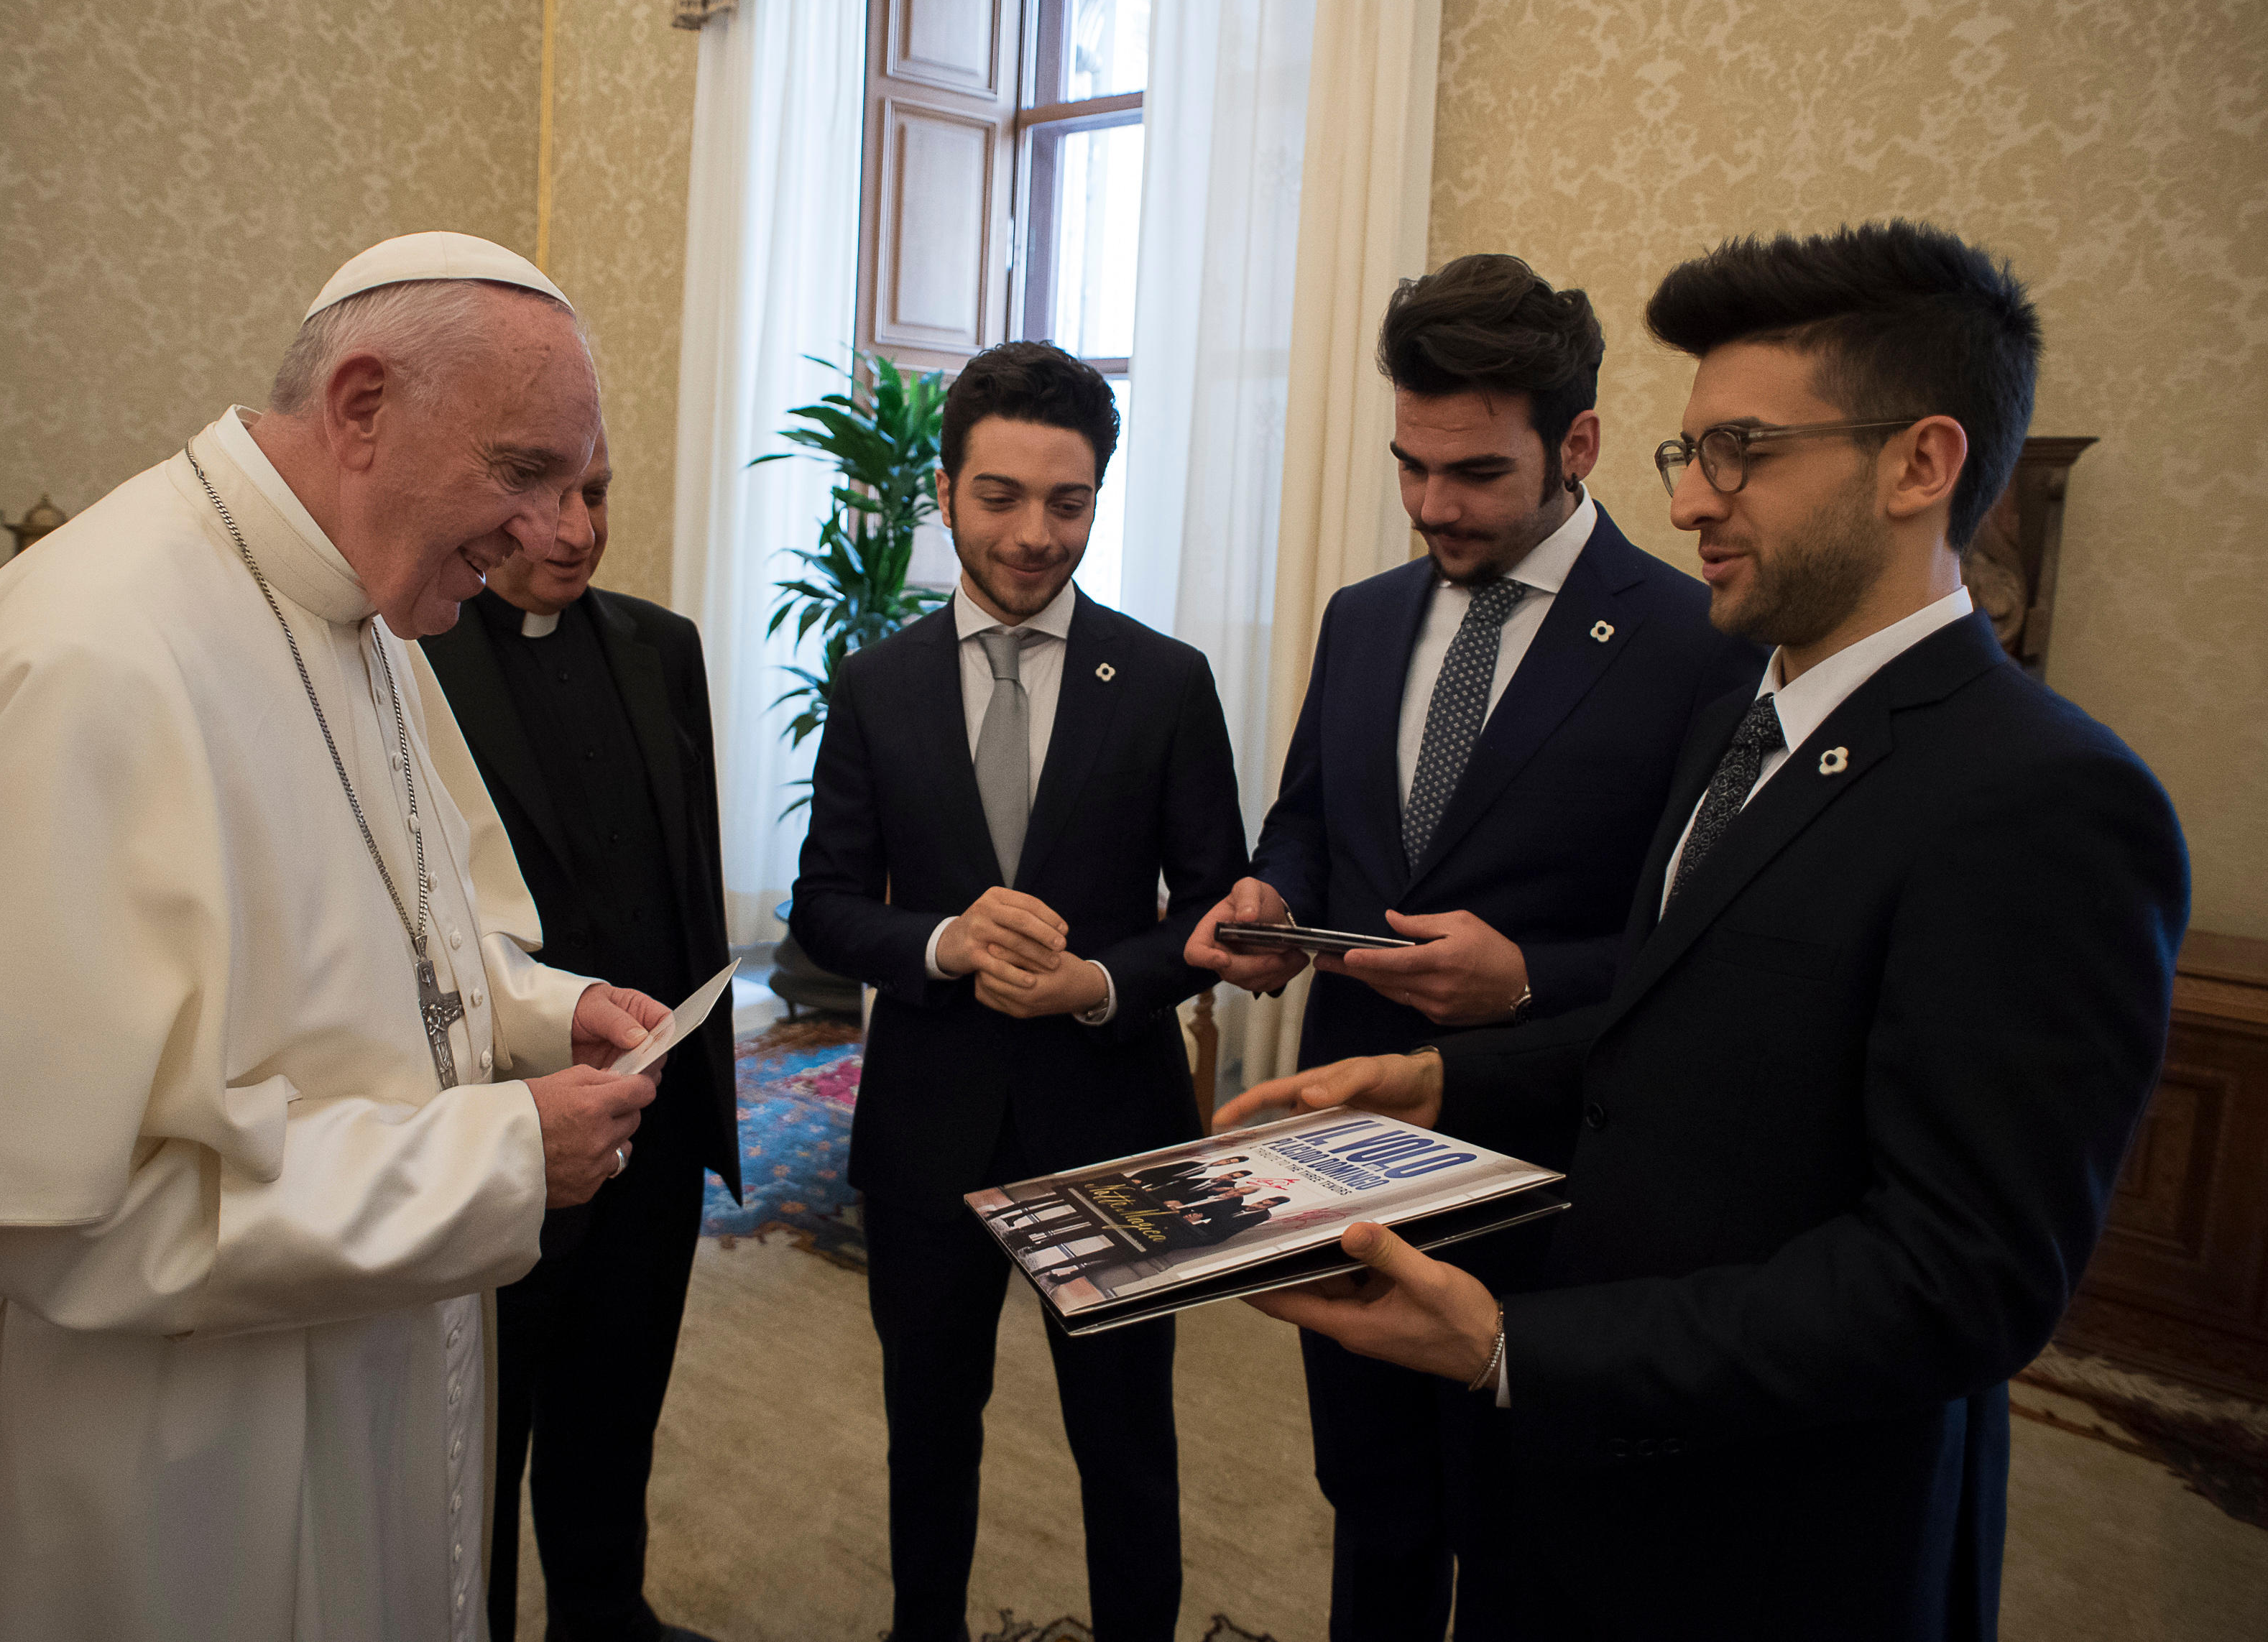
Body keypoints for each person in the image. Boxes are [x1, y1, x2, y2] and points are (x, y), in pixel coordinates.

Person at [1227, 221, 2190, 1641]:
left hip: (1776, 1528)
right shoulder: (1762, 722)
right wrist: (1432, 1078)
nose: (1688, 503)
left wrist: (1514, 1342)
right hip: (1598, 1469)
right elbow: (1673, 1029)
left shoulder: (2046, 797)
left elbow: (1958, 1282)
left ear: (1918, 464)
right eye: (1691, 454)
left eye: (1741, 453)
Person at [0, 232, 675, 1642]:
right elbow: (54, 1219)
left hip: (352, 1344)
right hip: (145, 1437)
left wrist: (540, 1008)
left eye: (573, 481)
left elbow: (399, 915)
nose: (553, 532)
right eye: (523, 471)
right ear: (362, 406)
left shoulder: (365, 611)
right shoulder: (88, 654)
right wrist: (500, 1156)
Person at [1179, 252, 1761, 1637]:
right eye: (1411, 465)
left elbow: (1715, 947)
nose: (1434, 503)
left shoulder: (1698, 641)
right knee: (1371, 1493)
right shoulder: (1362, 614)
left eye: (1478, 472)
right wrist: (1272, 897)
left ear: (1580, 444)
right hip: (1342, 1131)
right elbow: (1309, 820)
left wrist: (1530, 981)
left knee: (1521, 1521)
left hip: (1554, 1160)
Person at [790, 341, 1250, 1642]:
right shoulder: (876, 682)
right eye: (999, 496)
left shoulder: (1165, 680)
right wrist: (944, 943)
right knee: (929, 1436)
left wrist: (1098, 981)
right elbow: (823, 903)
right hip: (925, 1127)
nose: (1035, 534)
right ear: (944, 491)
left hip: (1115, 1123)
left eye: (1069, 500)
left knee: (1127, 1446)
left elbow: (1214, 907)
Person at [421, 413, 737, 1642]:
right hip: (504, 1116)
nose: (576, 531)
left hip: (654, 1109)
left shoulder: (665, 646)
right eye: (546, 500)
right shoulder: (413, 658)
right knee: (483, 1429)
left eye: (596, 495)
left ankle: (605, 1614)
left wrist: (700, 1099)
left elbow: (690, 874)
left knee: (618, 1395)